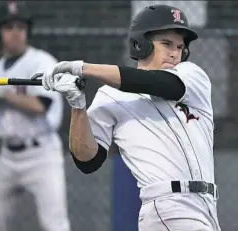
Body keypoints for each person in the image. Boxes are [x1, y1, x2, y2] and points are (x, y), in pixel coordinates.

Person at [35, 4, 221, 231]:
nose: (175, 52)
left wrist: (83, 68)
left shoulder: (192, 76)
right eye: (166, 44)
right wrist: (77, 105)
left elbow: (154, 82)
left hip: (206, 206)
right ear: (140, 45)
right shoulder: (109, 95)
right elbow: (87, 160)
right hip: (168, 206)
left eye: (180, 46)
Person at [0, 2, 71, 231]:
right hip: (8, 156)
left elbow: (41, 106)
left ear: (28, 31)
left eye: (20, 27)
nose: (15, 33)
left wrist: (2, 94)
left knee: (54, 224)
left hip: (42, 154)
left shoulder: (42, 62)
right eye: (9, 27)